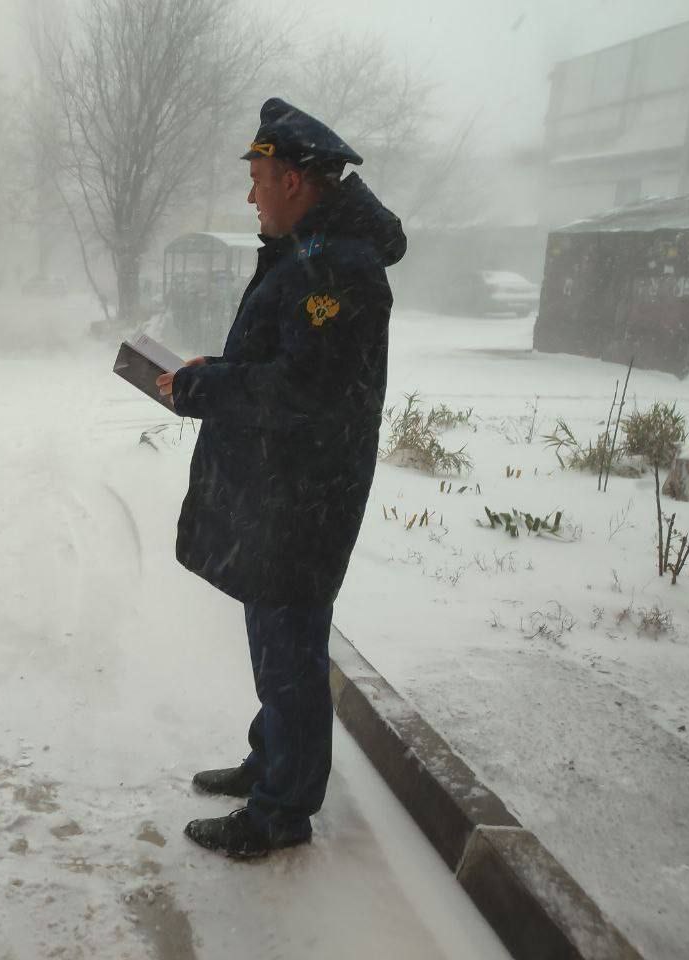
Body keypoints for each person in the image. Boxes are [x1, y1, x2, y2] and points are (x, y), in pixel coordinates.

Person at [155, 98, 407, 859]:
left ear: (295, 180)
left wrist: (208, 390)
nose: (251, 193)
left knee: (291, 645)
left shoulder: (337, 266)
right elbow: (284, 362)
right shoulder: (308, 248)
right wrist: (219, 369)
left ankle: (280, 811)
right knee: (275, 638)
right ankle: (273, 761)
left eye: (259, 177)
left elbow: (306, 392)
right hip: (286, 488)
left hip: (307, 495)